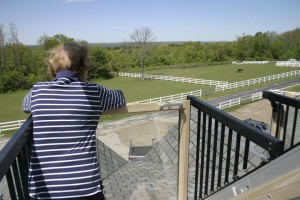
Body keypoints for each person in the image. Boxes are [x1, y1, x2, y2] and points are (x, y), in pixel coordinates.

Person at [22, 42, 126, 199]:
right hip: (85, 188)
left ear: (52, 68)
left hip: (43, 190)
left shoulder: (37, 91)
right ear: (83, 68)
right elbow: (120, 97)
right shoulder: (95, 92)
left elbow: (25, 106)